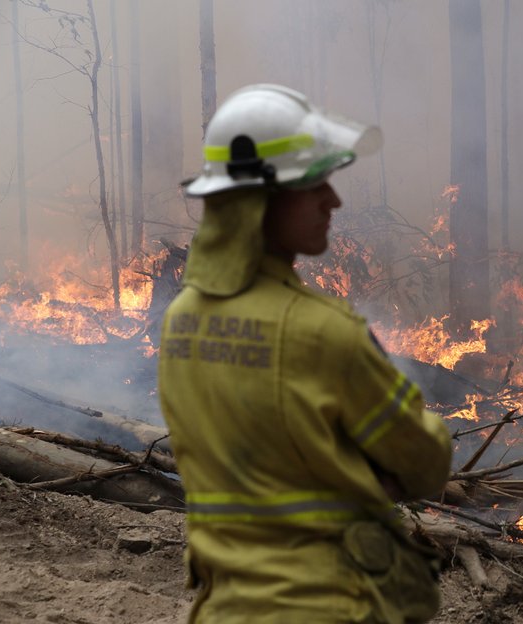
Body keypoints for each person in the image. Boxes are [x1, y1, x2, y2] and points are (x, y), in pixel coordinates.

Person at [157, 84, 453, 624]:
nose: (333, 201)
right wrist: (362, 475)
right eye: (313, 183)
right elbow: (424, 462)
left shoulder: (181, 322)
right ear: (259, 201)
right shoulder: (325, 332)